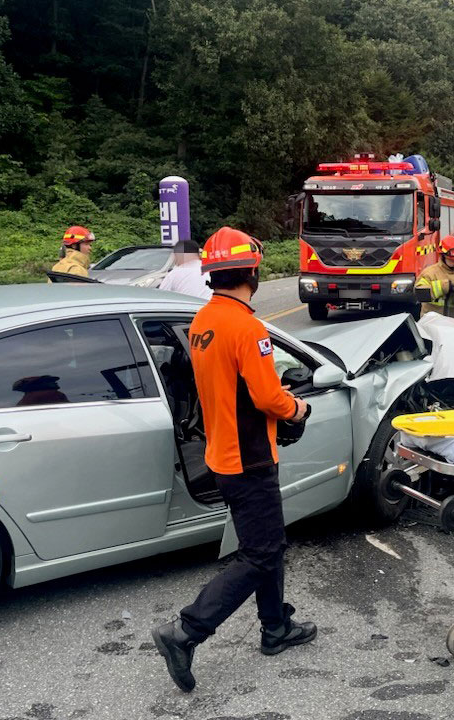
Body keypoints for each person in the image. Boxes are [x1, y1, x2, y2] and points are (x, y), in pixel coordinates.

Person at [151, 227, 314, 694]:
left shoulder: (203, 320)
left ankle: (275, 626)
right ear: (252, 273)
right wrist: (297, 408)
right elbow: (267, 398)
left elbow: (230, 385)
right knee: (261, 552)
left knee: (267, 544)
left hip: (222, 454)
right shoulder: (247, 327)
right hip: (250, 459)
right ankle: (186, 632)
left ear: (212, 274)